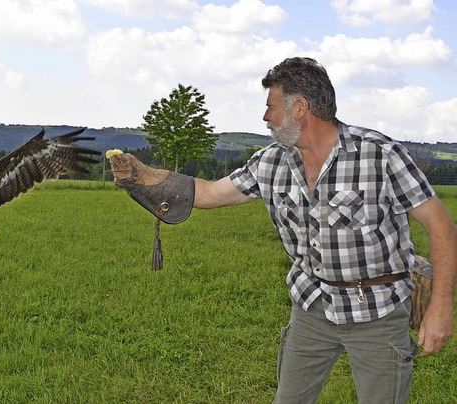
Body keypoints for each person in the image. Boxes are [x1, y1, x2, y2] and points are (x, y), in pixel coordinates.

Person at [109, 57, 457, 403]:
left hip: (377, 311)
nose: (265, 117)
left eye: (270, 107)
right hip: (311, 305)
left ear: (300, 108)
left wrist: (440, 307)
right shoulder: (271, 161)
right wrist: (145, 177)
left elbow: (442, 228)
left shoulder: (379, 155)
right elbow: (211, 193)